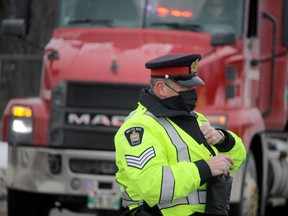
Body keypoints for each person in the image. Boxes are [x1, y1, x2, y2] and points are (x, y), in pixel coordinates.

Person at [114, 54, 246, 216]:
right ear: (161, 88)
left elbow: (237, 160)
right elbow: (152, 185)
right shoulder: (139, 127)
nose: (192, 93)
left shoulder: (195, 119)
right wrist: (205, 169)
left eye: (193, 88)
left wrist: (222, 139)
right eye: (185, 89)